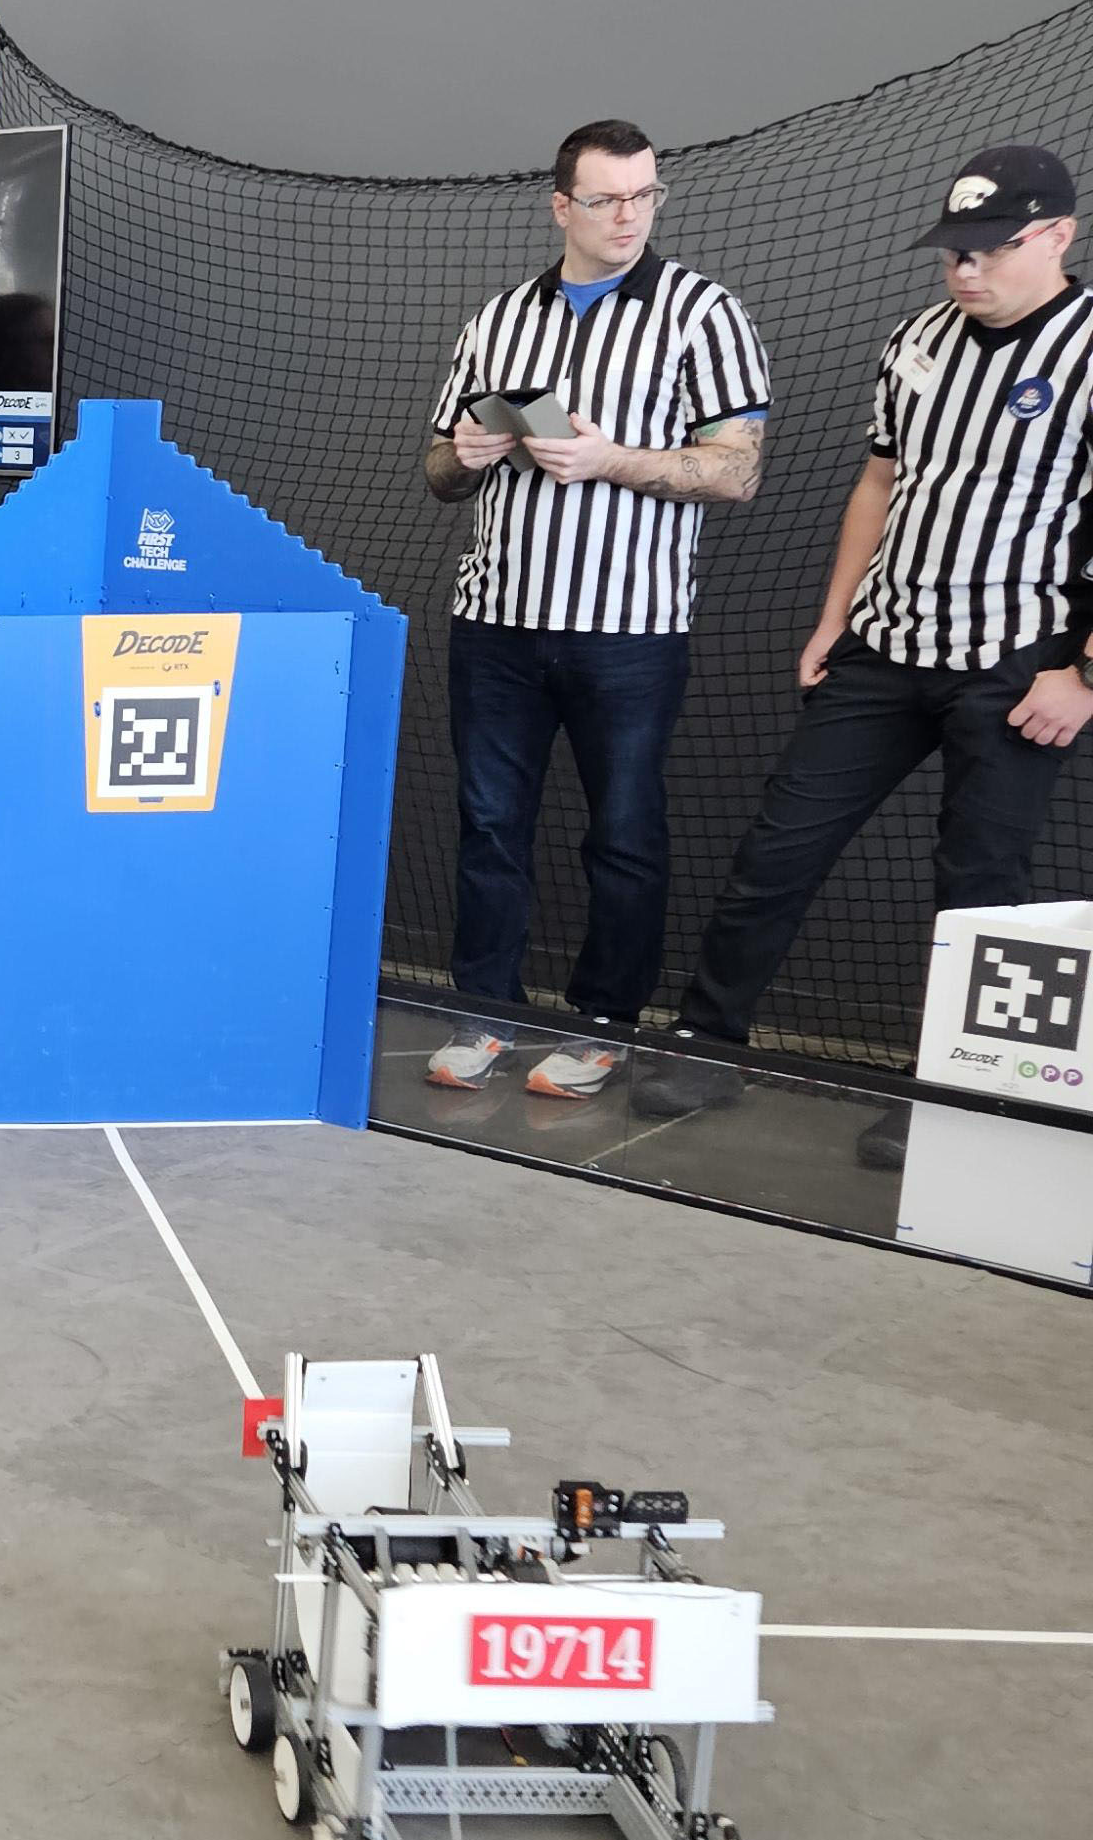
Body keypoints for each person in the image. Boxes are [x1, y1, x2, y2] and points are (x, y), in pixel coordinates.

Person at [635, 144, 1093, 1160]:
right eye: (952, 253)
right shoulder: (914, 340)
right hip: (884, 647)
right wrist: (833, 617)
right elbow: (877, 483)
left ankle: (959, 1095)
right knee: (777, 848)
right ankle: (706, 1045)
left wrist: (1082, 672)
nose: (965, 271)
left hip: (1017, 663)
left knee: (981, 889)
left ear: (1057, 235)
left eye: (992, 249)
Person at [419, 119, 771, 1098]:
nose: (628, 216)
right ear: (561, 206)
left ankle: (604, 1023)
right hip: (494, 623)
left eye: (644, 195)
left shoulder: (702, 312)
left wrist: (612, 459)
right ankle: (483, 1013)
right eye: (607, 199)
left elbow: (736, 472)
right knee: (490, 821)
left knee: (622, 827)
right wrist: (469, 452)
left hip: (629, 630)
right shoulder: (497, 319)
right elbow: (437, 468)